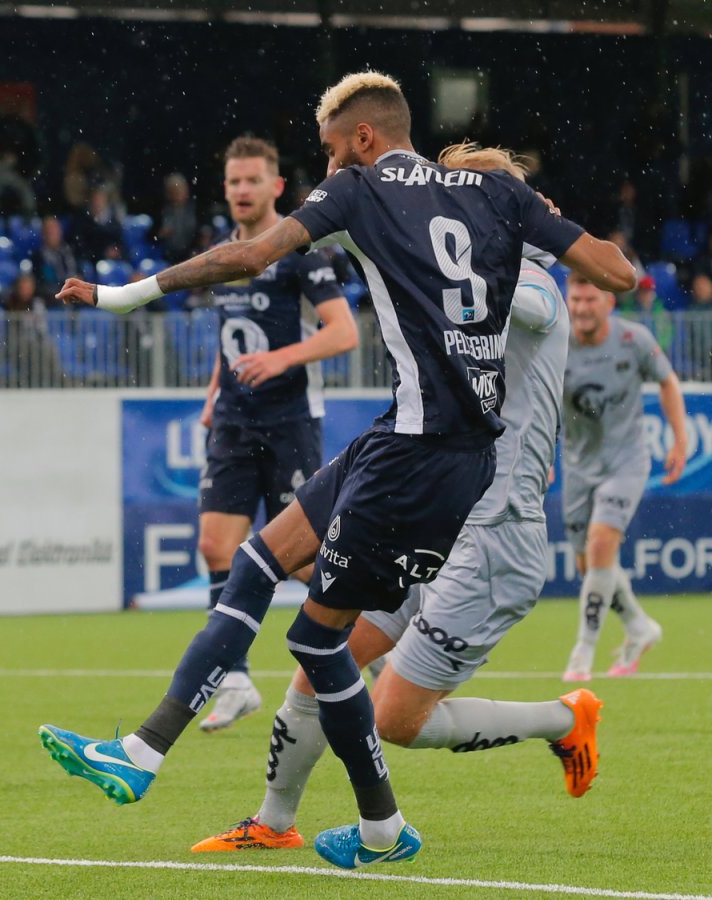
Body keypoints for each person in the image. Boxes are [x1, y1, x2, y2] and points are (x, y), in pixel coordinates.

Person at [40, 71, 633, 870]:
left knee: (369, 693)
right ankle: (178, 768)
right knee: (265, 574)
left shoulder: (514, 271)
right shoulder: (479, 208)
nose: (325, 167)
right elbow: (612, 270)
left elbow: (533, 293)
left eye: (328, 151)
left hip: (474, 505)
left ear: (362, 137)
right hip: (417, 453)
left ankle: (430, 800)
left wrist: (124, 296)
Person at [189, 145, 604, 856]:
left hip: (495, 536)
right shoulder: (464, 274)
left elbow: (514, 306)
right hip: (434, 507)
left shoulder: (532, 283)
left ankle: (564, 720)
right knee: (322, 654)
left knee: (395, 720)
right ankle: (273, 823)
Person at [191, 136, 357, 733]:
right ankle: (235, 681)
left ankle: (377, 627)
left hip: (290, 423)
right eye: (233, 181)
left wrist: (281, 359)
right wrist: (213, 395)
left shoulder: (300, 252)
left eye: (252, 180)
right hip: (233, 423)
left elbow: (343, 332)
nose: (241, 190)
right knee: (216, 546)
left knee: (302, 561)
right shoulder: (223, 256)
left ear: (276, 186)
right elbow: (230, 338)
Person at [560, 273, 689, 681]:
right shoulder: (556, 342)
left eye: (590, 300)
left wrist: (680, 440)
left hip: (627, 461)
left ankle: (583, 653)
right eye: (575, 300)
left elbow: (668, 381)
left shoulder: (634, 340)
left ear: (609, 303)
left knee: (601, 543)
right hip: (577, 464)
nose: (581, 308)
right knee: (589, 564)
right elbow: (537, 399)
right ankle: (639, 626)